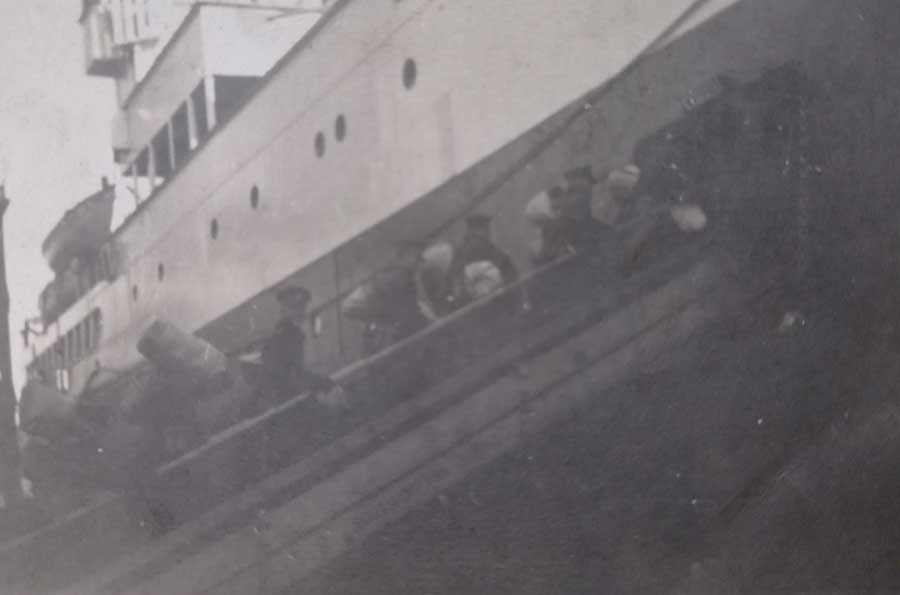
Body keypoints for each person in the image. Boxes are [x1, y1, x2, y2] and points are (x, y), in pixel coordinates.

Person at [261, 285, 336, 403]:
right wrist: (324, 383)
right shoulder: (287, 335)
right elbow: (294, 374)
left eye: (302, 307)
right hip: (284, 400)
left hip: (284, 397)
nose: (300, 312)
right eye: (294, 308)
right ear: (284, 310)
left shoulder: (288, 332)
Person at [448, 214, 526, 310]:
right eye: (487, 228)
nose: (489, 232)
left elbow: (452, 275)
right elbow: (506, 266)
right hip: (497, 300)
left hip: (475, 305)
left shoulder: (460, 249)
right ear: (479, 229)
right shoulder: (483, 245)